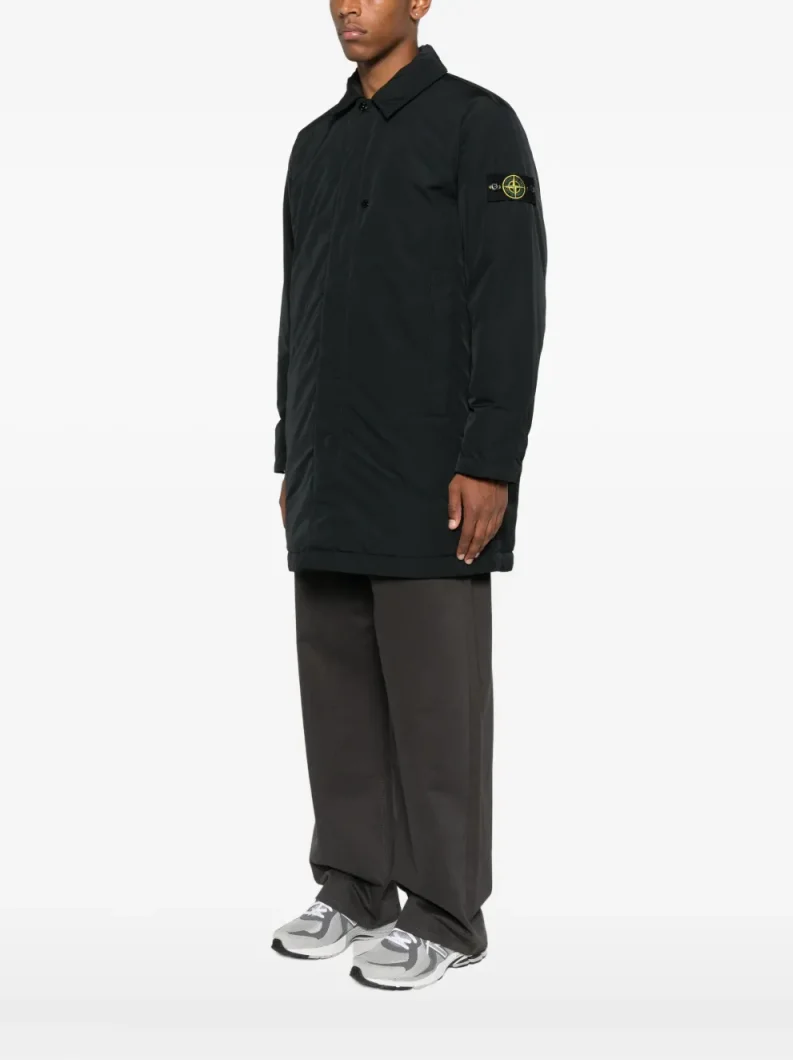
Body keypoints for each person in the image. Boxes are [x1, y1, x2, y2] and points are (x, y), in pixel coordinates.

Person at [271, 0, 546, 991]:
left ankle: (446, 910)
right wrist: (290, 451)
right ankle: (353, 884)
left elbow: (510, 294)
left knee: (436, 703)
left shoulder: (479, 126)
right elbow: (296, 304)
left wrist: (492, 459)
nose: (349, 4)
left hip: (436, 478)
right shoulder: (315, 146)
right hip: (330, 467)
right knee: (336, 692)